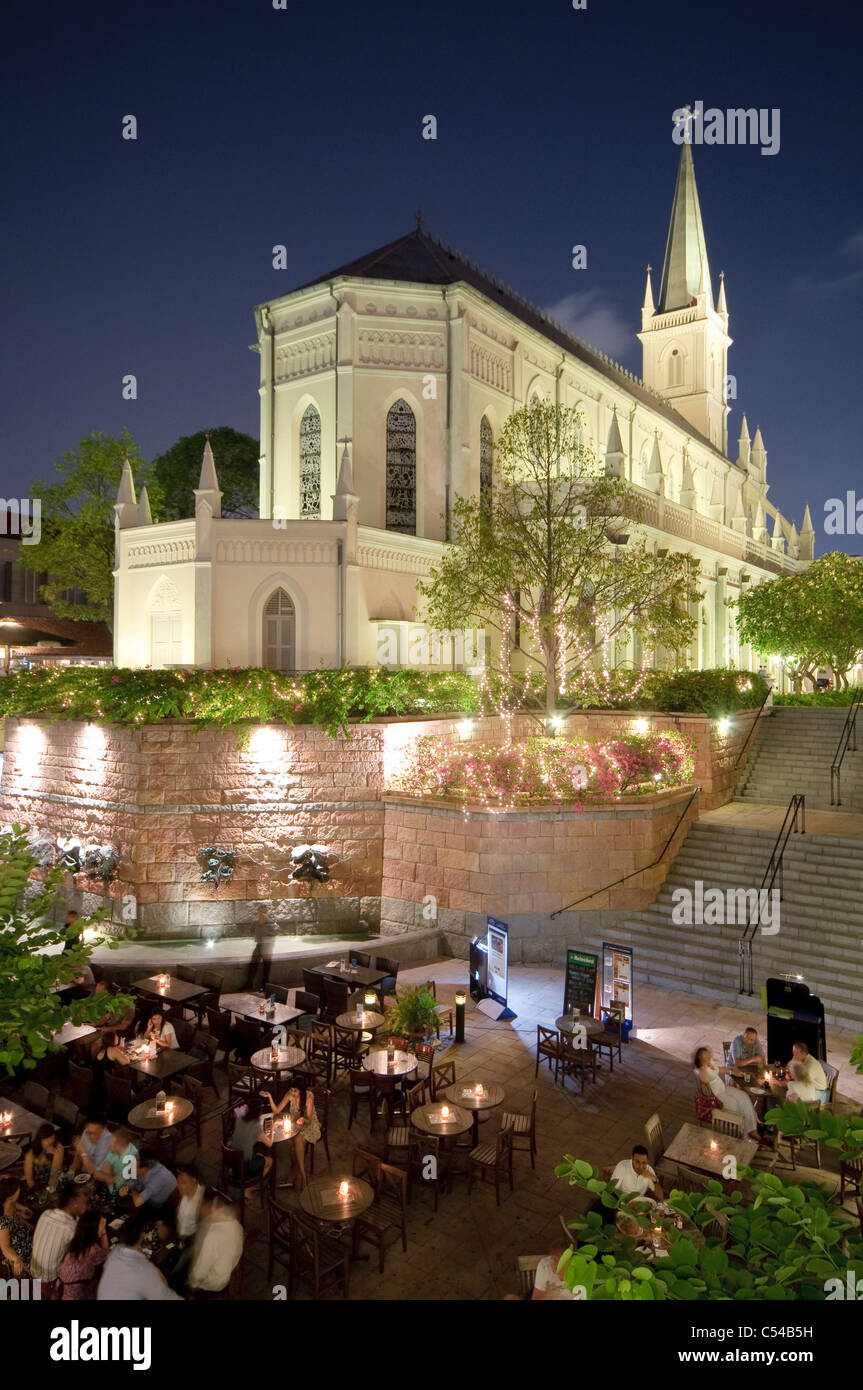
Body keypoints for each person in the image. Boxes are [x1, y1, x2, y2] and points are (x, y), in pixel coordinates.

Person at [97, 1216, 183, 1300]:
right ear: (142, 1235)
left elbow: (107, 1259)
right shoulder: (146, 1271)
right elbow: (166, 1296)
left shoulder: (115, 1251)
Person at [260, 1082, 320, 1189]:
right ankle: (296, 1172)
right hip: (296, 1123)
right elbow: (276, 1111)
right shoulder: (289, 1094)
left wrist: (303, 1119)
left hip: (308, 1125)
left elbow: (309, 1120)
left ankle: (302, 1175)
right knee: (293, 1149)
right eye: (291, 1090)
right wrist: (269, 1097)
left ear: (301, 1090)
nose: (292, 1093)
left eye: (295, 1091)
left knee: (296, 1142)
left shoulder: (309, 1097)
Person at [694, 1046, 759, 1140]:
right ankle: (743, 1136)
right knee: (735, 1106)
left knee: (744, 1097)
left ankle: (752, 1129)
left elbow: (720, 1069)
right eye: (706, 1056)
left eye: (708, 1054)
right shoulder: (701, 1070)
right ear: (700, 1060)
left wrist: (732, 1072)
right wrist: (703, 1066)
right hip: (715, 1096)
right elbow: (704, 1079)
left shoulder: (709, 1063)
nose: (709, 1056)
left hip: (724, 1089)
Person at [186, 1189, 243, 1297]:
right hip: (227, 1272)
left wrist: (192, 1284)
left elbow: (200, 1271)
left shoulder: (212, 1237)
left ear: (221, 1212)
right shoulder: (237, 1225)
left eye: (214, 1207)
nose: (211, 1208)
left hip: (213, 1284)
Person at [30, 1186, 88, 1287]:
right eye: (84, 1202)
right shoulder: (71, 1228)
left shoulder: (46, 1213)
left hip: (34, 1269)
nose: (86, 1206)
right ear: (74, 1202)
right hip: (49, 1278)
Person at [57, 1209, 109, 1300]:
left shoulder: (75, 1242)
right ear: (95, 1228)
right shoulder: (93, 1250)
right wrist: (104, 1232)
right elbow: (106, 1254)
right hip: (76, 1296)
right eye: (101, 1224)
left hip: (60, 1292)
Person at [227, 1094, 274, 1181]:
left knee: (259, 1153)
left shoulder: (241, 1115)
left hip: (232, 1159)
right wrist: (272, 1127)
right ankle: (251, 1187)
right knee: (270, 1161)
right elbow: (269, 1143)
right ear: (258, 1112)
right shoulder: (255, 1126)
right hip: (244, 1165)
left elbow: (234, 1112)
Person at [0, 1177, 33, 1277]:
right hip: (20, 1250)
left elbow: (17, 1218)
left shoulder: (11, 1205)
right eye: (17, 1189)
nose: (19, 1190)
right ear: (10, 1197)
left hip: (25, 1235)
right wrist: (16, 1259)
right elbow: (5, 1246)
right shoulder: (3, 1221)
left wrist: (29, 1225)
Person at [93, 1127, 140, 1196]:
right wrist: (110, 1177)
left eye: (110, 1140)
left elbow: (113, 1190)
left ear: (114, 1140)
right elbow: (95, 1174)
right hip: (108, 1188)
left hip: (124, 1196)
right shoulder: (113, 1151)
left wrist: (107, 1174)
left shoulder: (131, 1157)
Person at [23, 1124, 64, 1201]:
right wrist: (40, 1195)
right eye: (46, 1139)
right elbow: (30, 1181)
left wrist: (56, 1155)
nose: (50, 1142)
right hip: (35, 1188)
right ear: (40, 1139)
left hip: (53, 1184)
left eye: (52, 1137)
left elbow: (56, 1174)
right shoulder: (30, 1155)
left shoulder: (58, 1148)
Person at [175, 1166, 205, 1242]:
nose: (179, 1186)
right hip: (180, 1234)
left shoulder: (204, 1197)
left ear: (194, 1180)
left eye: (183, 1182)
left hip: (193, 1239)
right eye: (178, 1182)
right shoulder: (182, 1193)